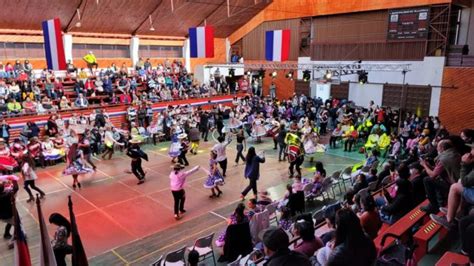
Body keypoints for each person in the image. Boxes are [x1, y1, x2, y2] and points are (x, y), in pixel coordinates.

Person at [430, 143, 474, 229]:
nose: (470, 151)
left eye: (472, 149)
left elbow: (465, 182)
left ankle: (449, 220)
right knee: (459, 181)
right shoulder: (455, 153)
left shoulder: (444, 158)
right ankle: (456, 212)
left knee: (454, 187)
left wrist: (464, 164)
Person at [420, 139, 461, 214]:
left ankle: (433, 206)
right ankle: (440, 201)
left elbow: (433, 175)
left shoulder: (443, 159)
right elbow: (439, 171)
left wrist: (424, 165)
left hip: (454, 185)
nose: (436, 149)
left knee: (427, 180)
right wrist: (429, 166)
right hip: (458, 180)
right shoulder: (455, 153)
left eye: (437, 147)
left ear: (442, 148)